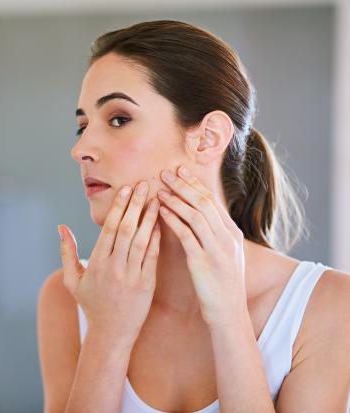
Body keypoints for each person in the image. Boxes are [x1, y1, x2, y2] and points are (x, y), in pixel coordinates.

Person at [37, 20, 350, 413]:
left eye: (118, 119)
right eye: (82, 126)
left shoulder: (326, 305)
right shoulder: (68, 298)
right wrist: (107, 333)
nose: (81, 148)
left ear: (208, 138)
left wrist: (229, 318)